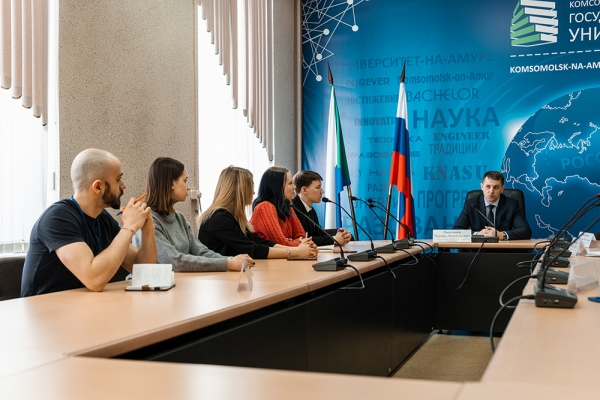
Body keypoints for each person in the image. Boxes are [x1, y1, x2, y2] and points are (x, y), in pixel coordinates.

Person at [21, 149, 158, 296]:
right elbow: (94, 280)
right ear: (98, 187)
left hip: (83, 305)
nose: (123, 185)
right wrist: (129, 227)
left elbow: (143, 269)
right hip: (47, 308)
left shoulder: (103, 218)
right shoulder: (57, 218)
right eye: (118, 180)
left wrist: (148, 228)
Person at [133, 157, 251, 272]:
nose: (188, 187)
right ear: (171, 184)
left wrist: (230, 260)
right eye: (185, 181)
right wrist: (228, 263)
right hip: (151, 285)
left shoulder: (179, 218)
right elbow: (174, 261)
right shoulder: (148, 220)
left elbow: (200, 251)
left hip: (180, 282)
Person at [198, 166, 317, 259]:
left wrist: (297, 249)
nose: (254, 192)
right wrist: (296, 252)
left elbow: (260, 242)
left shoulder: (231, 217)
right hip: (221, 278)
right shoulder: (218, 218)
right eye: (251, 186)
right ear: (240, 190)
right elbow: (253, 249)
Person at [250, 166, 317, 250]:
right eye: (290, 183)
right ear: (277, 187)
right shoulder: (264, 206)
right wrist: (297, 243)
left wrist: (293, 242)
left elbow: (302, 236)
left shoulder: (287, 205)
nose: (294, 187)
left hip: (288, 255)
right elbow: (280, 244)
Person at [453, 170, 532, 240]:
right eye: (488, 186)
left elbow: (525, 231)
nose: (491, 191)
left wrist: (502, 235)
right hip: (477, 249)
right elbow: (456, 231)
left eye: (496, 187)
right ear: (482, 187)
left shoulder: (512, 204)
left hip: (503, 249)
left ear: (502, 189)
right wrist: (477, 234)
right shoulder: (471, 204)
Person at [292, 170, 351, 246]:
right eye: (318, 187)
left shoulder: (311, 210)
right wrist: (334, 239)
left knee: (348, 236)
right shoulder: (293, 209)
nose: (322, 191)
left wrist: (340, 235)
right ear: (304, 190)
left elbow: (318, 234)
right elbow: (303, 239)